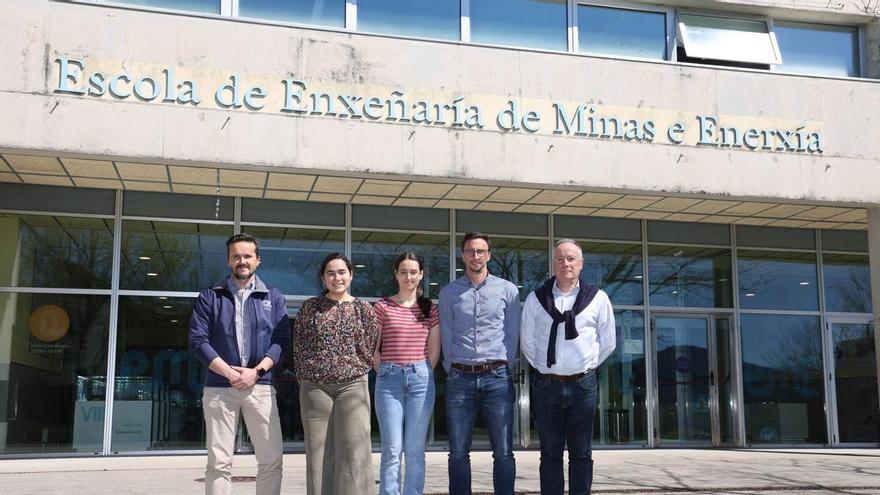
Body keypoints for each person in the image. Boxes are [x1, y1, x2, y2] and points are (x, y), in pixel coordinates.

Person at [188, 233, 289, 495]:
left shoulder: (274, 297)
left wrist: (255, 373)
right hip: (220, 389)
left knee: (271, 460)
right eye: (236, 256)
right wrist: (230, 373)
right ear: (228, 261)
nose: (241, 261)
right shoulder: (210, 297)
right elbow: (198, 341)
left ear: (258, 260)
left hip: (261, 387)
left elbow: (280, 341)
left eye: (247, 256)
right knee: (219, 462)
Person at [520, 239, 616, 495]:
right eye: (560, 258)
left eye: (571, 258)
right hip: (547, 386)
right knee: (549, 453)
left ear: (581, 264)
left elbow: (608, 343)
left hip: (583, 385)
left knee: (581, 453)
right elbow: (527, 342)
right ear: (553, 264)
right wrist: (545, 368)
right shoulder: (536, 299)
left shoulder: (598, 298)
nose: (566, 263)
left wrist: (585, 366)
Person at [439, 232, 520, 495]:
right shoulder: (449, 293)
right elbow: (447, 334)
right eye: (471, 251)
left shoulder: (507, 290)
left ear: (489, 255)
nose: (476, 256)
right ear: (463, 255)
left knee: (504, 451)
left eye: (481, 251)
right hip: (460, 378)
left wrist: (503, 364)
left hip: (497, 378)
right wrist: (452, 367)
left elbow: (512, 333)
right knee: (458, 452)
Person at [291, 252, 379, 495]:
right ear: (323, 278)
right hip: (315, 388)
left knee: (354, 451)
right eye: (331, 272)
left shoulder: (364, 310)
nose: (336, 277)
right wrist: (307, 376)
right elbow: (299, 346)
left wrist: (354, 367)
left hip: (352, 386)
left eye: (342, 272)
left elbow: (370, 345)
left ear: (351, 275)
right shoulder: (311, 307)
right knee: (318, 452)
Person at [374, 252, 441, 495]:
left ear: (421, 274)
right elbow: (374, 348)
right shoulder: (382, 306)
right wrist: (386, 371)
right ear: (396, 274)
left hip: (420, 381)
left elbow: (434, 351)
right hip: (388, 382)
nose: (408, 276)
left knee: (414, 449)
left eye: (413, 272)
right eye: (403, 271)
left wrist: (420, 372)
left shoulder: (429, 309)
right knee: (392, 449)